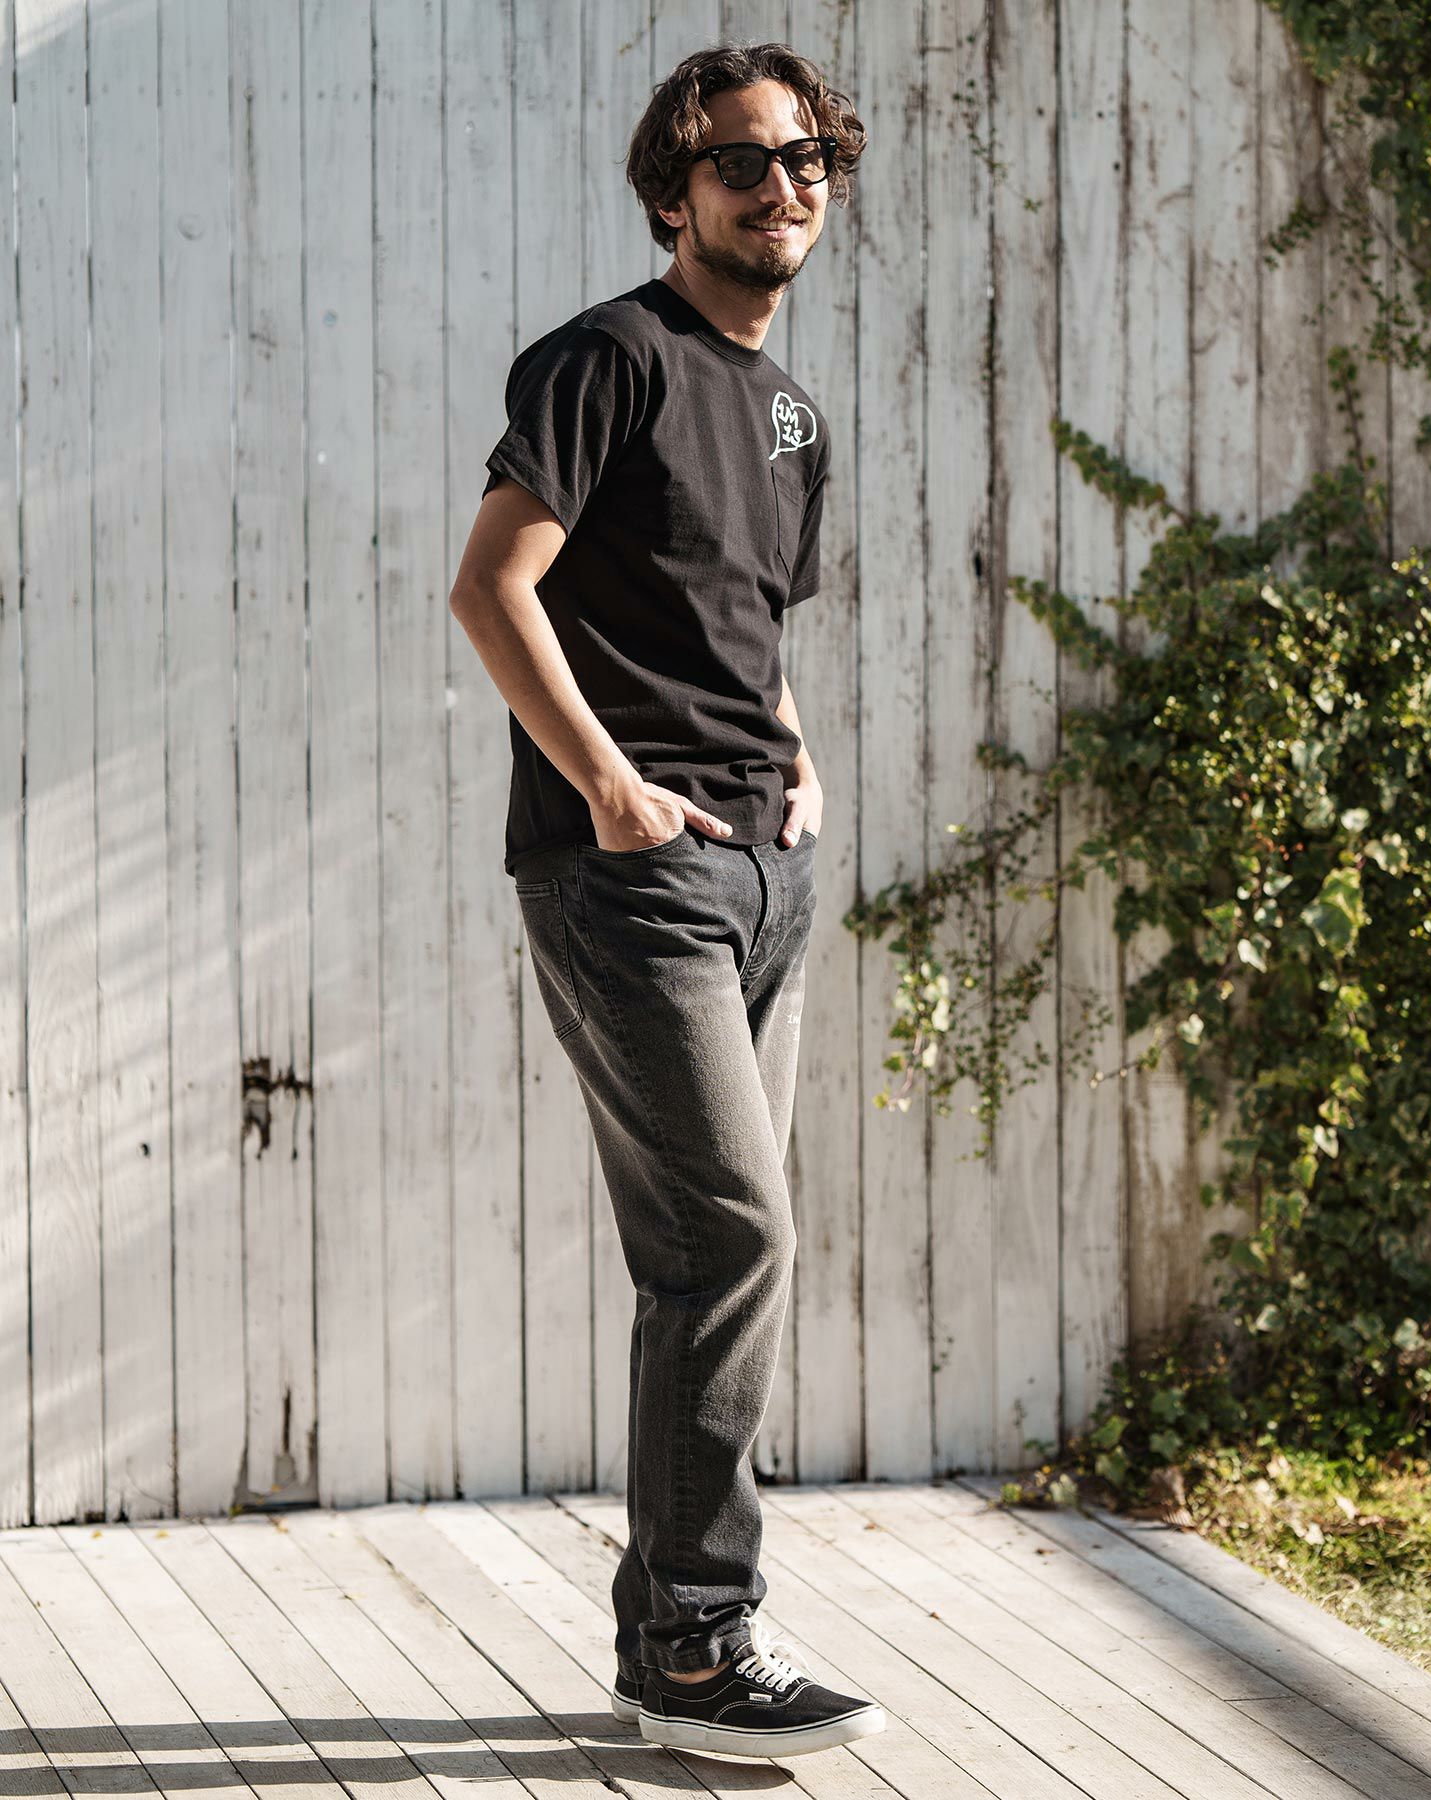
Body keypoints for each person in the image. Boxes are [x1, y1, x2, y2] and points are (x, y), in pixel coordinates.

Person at [448, 41, 884, 1760]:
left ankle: (676, 1639)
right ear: (673, 190)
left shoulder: (793, 414)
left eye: (808, 159)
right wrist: (612, 792)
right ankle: (698, 1646)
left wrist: (801, 759)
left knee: (712, 1257)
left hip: (767, 873)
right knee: (732, 1240)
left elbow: (749, 626)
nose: (784, 186)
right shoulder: (607, 359)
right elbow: (492, 589)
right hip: (634, 881)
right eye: (743, 161)